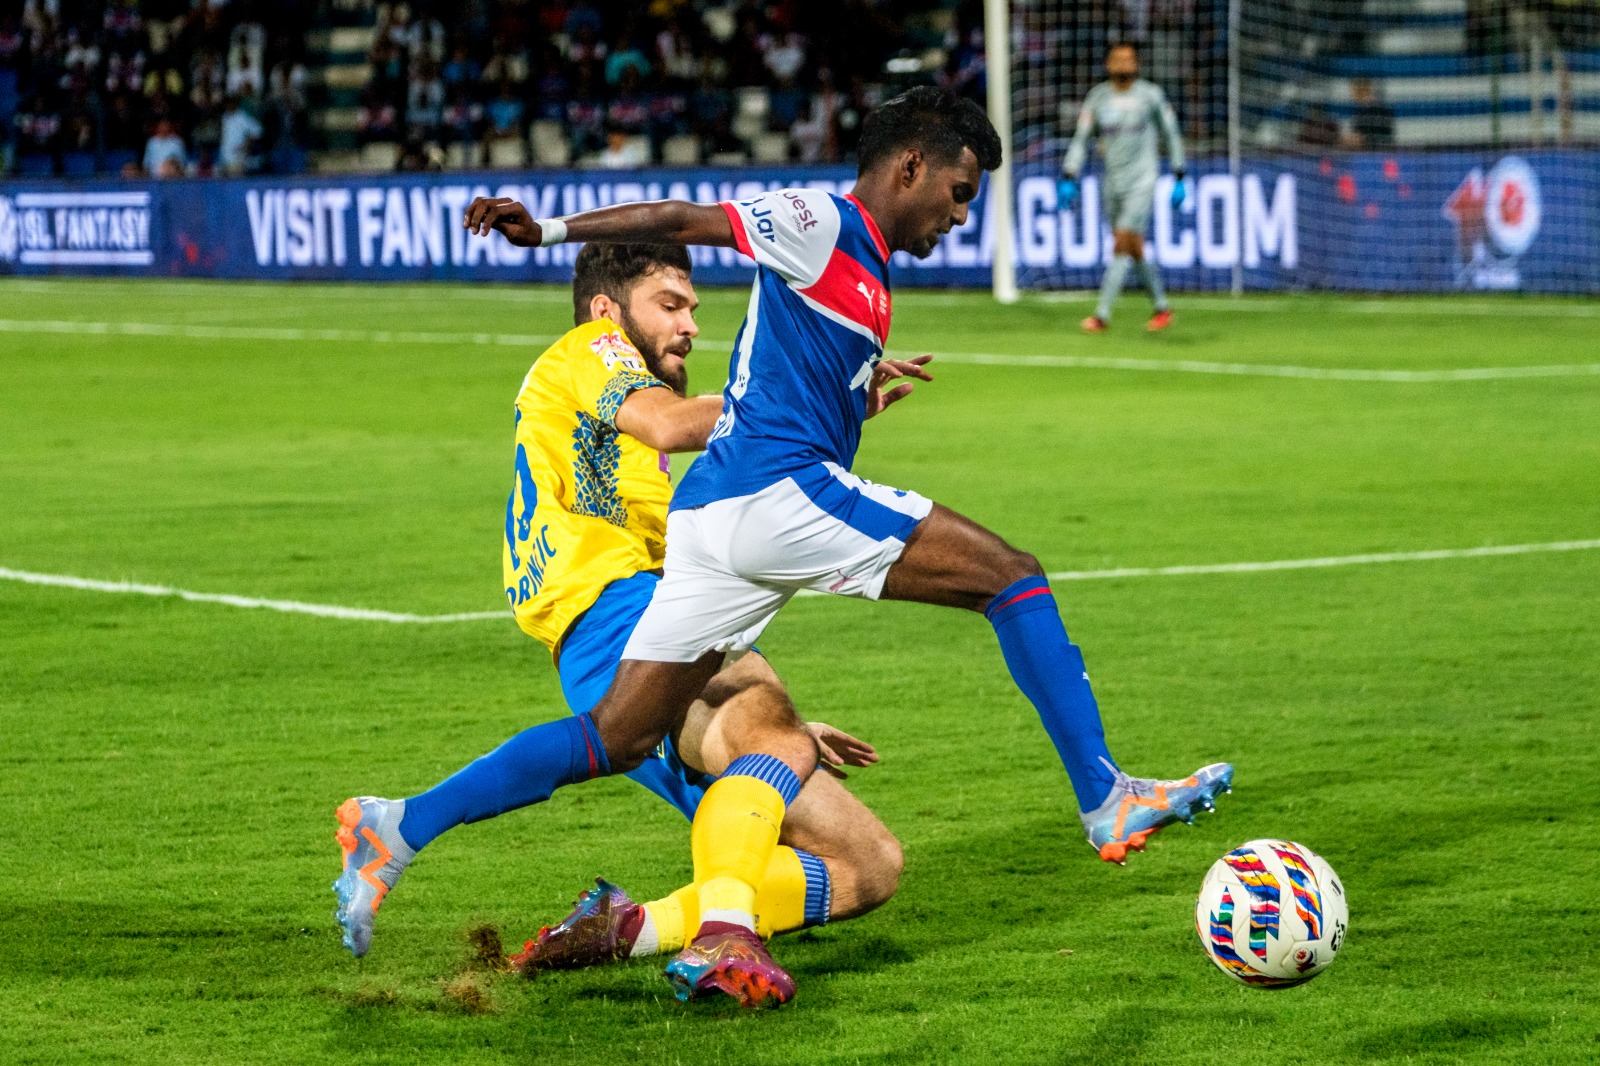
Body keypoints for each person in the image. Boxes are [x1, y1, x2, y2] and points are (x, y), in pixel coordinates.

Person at [458, 85, 1233, 1007]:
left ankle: (563, 894)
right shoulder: (821, 219)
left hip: (728, 527)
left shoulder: (867, 271)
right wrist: (543, 231)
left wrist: (853, 384)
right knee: (1012, 579)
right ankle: (1105, 797)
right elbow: (680, 216)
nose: (959, 214)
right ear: (909, 166)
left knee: (685, 768)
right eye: (957, 189)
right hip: (759, 505)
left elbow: (787, 376)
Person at [333, 243, 914, 974]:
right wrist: (809, 395)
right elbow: (673, 425)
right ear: (610, 310)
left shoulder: (616, 437)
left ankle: (624, 927)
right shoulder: (594, 347)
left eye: (694, 308)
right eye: (670, 304)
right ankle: (723, 945)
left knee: (867, 860)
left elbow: (706, 515)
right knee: (774, 740)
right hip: (617, 606)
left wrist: (764, 720)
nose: (691, 325)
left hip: (604, 636)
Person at [1058, 41, 1185, 334]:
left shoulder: (1151, 96)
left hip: (1143, 179)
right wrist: (1069, 174)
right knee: (1133, 246)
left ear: (1137, 64)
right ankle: (1162, 308)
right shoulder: (1098, 98)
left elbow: (1171, 133)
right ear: (1108, 64)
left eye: (1129, 59)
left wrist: (1179, 174)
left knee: (1121, 243)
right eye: (1117, 59)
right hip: (1112, 182)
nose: (1123, 64)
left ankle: (1101, 315)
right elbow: (1081, 139)